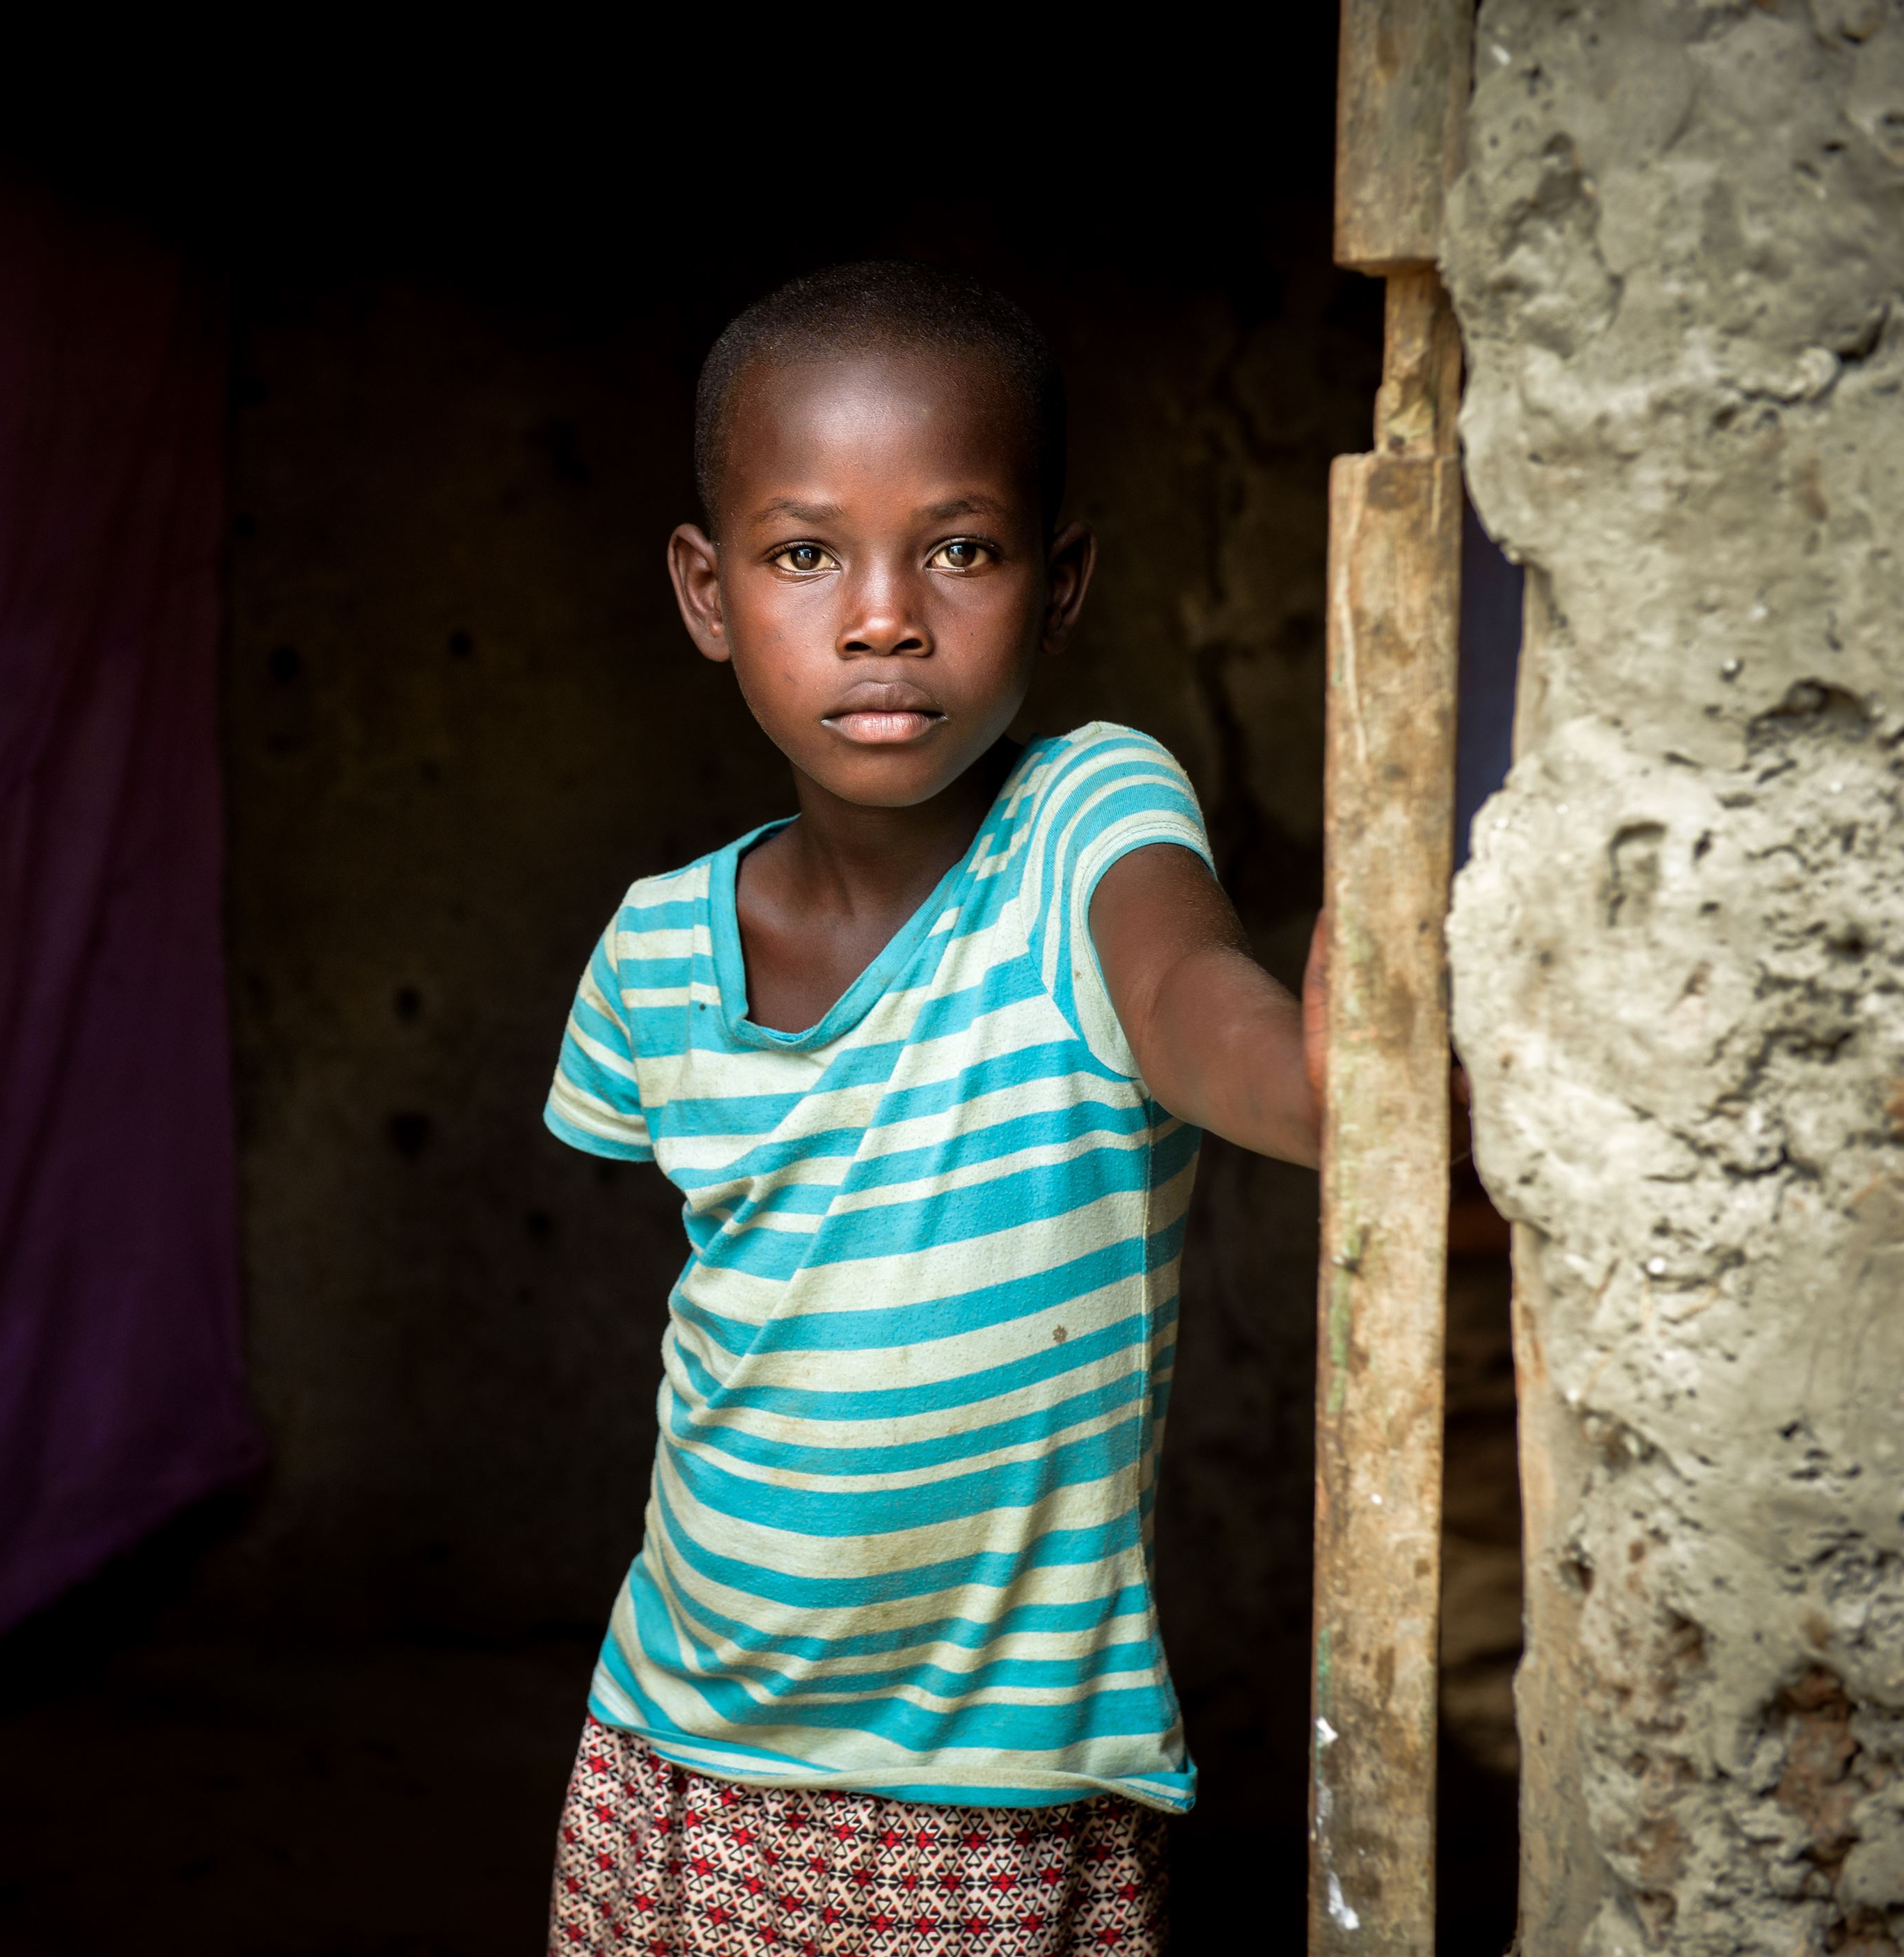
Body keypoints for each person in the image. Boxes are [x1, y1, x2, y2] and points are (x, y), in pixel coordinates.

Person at [540, 261, 1323, 1956]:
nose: (883, 613)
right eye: (804, 552)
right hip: (673, 1743)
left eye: (958, 548)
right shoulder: (657, 946)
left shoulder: (1080, 820)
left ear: (1060, 581)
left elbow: (1191, 1000)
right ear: (706, 587)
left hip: (994, 1785)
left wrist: (1343, 1079)